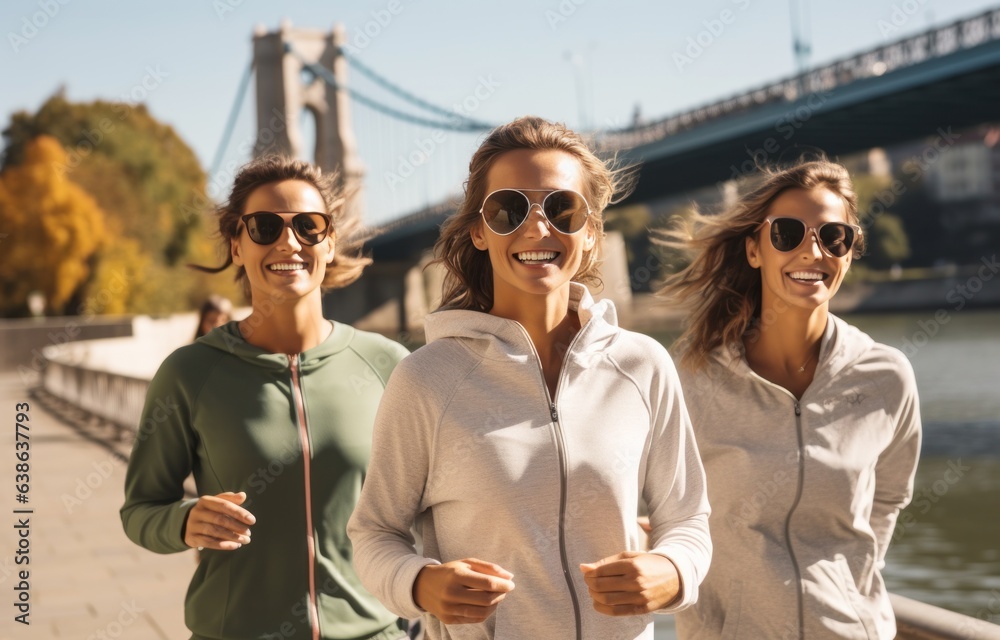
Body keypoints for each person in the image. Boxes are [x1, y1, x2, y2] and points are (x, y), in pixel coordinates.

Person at [347, 116, 711, 640]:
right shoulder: (427, 380)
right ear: (478, 230)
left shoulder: (642, 366)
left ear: (589, 234)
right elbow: (374, 533)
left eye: (562, 209)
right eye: (508, 209)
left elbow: (688, 520)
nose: (538, 228)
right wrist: (421, 584)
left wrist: (673, 571)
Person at [121, 156, 410, 640]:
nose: (289, 241)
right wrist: (185, 520)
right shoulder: (190, 373)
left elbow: (433, 507)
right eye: (264, 227)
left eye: (308, 226)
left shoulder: (389, 365)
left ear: (330, 241)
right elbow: (140, 510)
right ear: (236, 245)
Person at [658, 160, 922, 639]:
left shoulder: (886, 377)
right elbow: (660, 510)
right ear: (755, 249)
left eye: (833, 236)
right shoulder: (691, 378)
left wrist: (846, 588)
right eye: (787, 233)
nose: (812, 251)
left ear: (849, 251)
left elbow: (887, 498)